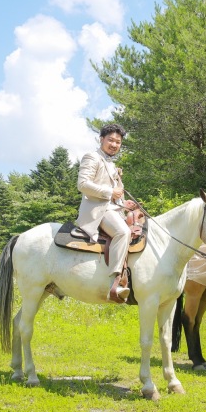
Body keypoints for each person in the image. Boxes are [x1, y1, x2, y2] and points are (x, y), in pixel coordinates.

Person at [75, 123, 132, 303]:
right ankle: (114, 283)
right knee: (123, 232)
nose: (114, 145)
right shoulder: (92, 157)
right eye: (111, 140)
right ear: (101, 139)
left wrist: (124, 203)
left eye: (118, 142)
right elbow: (82, 184)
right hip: (97, 210)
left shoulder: (111, 163)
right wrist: (110, 192)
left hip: (113, 208)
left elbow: (115, 194)